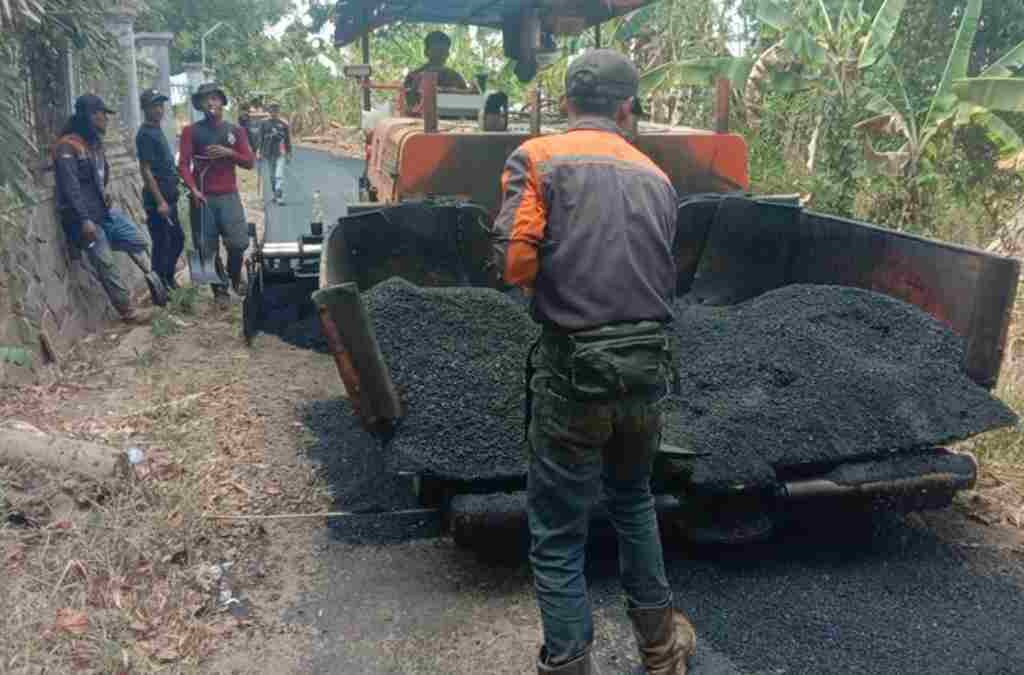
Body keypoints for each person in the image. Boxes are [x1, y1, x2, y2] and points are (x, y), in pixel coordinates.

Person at [493, 50, 696, 674]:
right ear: (628, 107)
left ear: (566, 101)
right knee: (633, 500)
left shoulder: (539, 158)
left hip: (573, 373)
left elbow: (514, 263)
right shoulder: (657, 177)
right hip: (645, 371)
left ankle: (569, 663)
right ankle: (661, 654)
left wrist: (554, 280)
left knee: (558, 531)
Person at [54, 94, 165, 323]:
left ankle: (99, 243)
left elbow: (99, 175)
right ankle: (128, 312)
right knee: (106, 263)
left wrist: (104, 193)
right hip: (84, 220)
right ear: (90, 115)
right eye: (103, 114)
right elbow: (70, 187)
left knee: (138, 241)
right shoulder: (67, 146)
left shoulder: (94, 144)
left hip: (104, 214)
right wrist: (84, 220)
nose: (106, 119)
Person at [178, 82, 255, 303]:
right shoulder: (190, 131)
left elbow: (249, 162)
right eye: (205, 99)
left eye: (214, 98)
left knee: (239, 243)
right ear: (200, 105)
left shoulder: (235, 131)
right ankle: (219, 291)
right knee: (205, 247)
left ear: (222, 101)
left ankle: (233, 278)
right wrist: (193, 189)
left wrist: (228, 152)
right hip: (202, 197)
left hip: (229, 196)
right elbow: (183, 164)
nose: (211, 102)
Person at [135, 88, 184, 291]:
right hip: (159, 200)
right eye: (154, 106)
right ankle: (159, 287)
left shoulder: (157, 129)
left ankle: (167, 278)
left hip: (169, 196)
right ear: (145, 108)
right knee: (162, 243)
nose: (159, 110)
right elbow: (145, 170)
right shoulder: (145, 134)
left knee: (176, 239)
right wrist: (160, 201)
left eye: (160, 105)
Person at [402, 30, 471, 112]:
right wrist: (417, 82)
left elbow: (468, 103)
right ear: (426, 52)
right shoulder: (413, 76)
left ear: (447, 54)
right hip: (419, 121)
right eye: (437, 51)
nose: (440, 54)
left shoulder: (455, 77)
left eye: (443, 51)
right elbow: (409, 105)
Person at [258, 103, 292, 204]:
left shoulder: (284, 124)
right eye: (272, 111)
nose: (274, 113)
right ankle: (275, 194)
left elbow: (287, 140)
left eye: (276, 111)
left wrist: (289, 153)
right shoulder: (263, 123)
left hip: (281, 152)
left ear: (278, 112)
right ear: (269, 112)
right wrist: (259, 152)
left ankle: (279, 197)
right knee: (272, 176)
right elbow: (260, 139)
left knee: (279, 175)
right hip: (268, 152)